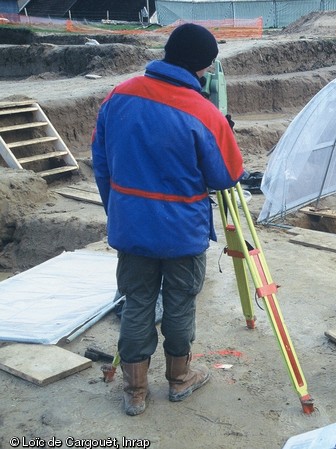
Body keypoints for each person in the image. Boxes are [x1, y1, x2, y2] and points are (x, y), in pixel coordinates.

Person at [92, 23, 245, 416]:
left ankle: (135, 391)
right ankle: (179, 380)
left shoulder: (119, 94)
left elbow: (101, 161)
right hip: (182, 232)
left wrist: (120, 210)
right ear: (204, 67)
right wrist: (223, 129)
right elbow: (227, 175)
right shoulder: (203, 112)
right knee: (179, 304)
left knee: (138, 301)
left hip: (132, 228)